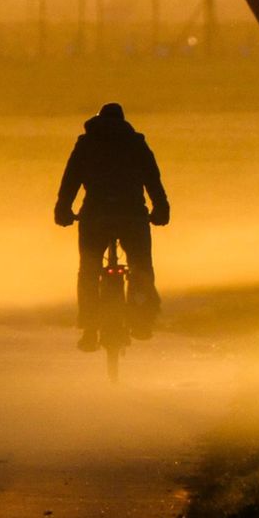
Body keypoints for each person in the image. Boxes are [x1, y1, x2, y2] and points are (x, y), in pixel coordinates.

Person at [54, 103, 169, 350]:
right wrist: (161, 208)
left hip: (95, 214)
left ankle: (89, 325)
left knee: (88, 268)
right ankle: (141, 320)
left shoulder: (85, 144)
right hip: (132, 215)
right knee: (141, 265)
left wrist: (63, 209)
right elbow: (152, 179)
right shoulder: (136, 143)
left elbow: (71, 179)